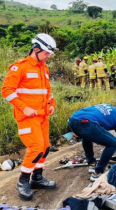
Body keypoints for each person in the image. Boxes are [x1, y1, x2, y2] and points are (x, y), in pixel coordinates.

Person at [1, 33, 57, 200]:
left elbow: (47, 90)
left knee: (45, 147)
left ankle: (37, 178)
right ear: (37, 49)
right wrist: (23, 107)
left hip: (42, 116)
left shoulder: (43, 68)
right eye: (47, 53)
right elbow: (6, 91)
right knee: (36, 148)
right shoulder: (20, 67)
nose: (49, 56)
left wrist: (52, 103)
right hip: (27, 117)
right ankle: (22, 181)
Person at [68, 103, 116, 181]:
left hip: (73, 120)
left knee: (87, 135)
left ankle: (92, 164)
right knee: (114, 143)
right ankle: (97, 173)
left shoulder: (107, 106)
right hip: (87, 123)